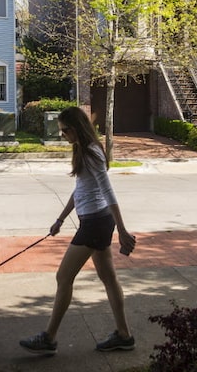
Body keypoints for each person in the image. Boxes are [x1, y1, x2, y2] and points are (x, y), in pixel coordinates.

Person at [20, 106, 137, 356]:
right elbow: (81, 189)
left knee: (63, 277)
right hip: (94, 221)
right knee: (109, 279)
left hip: (96, 223)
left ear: (75, 128)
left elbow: (108, 191)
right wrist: (61, 219)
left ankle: (49, 337)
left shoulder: (92, 152)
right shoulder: (84, 150)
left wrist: (123, 230)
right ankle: (124, 335)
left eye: (64, 130)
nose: (62, 135)